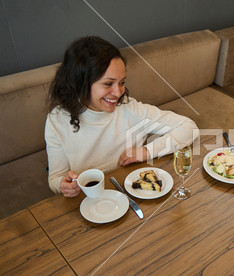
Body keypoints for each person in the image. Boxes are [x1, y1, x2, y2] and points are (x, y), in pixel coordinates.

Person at [45, 36, 198, 197]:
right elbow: (55, 178)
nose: (118, 93)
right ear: (80, 83)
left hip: (130, 194)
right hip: (89, 202)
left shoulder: (130, 109)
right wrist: (63, 185)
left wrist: (146, 151)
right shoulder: (56, 121)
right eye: (108, 84)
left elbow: (189, 127)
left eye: (122, 82)